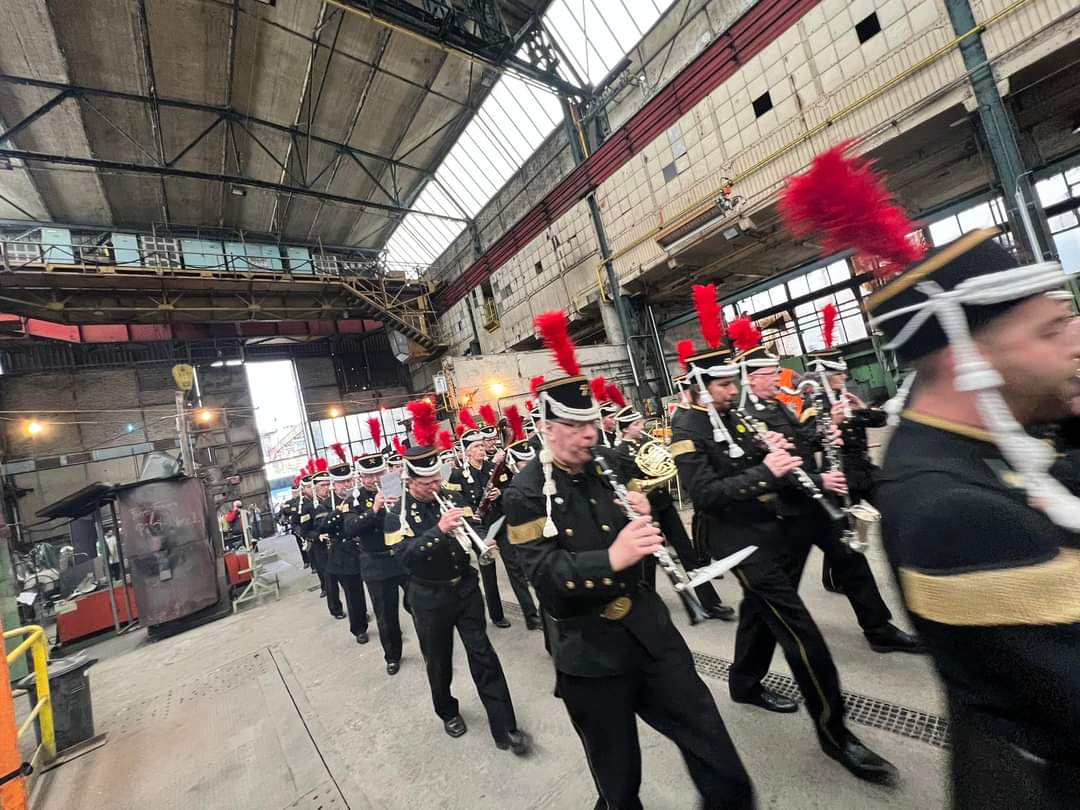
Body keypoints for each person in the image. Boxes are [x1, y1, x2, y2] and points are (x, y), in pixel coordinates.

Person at [505, 309, 754, 809]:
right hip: (589, 654)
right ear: (547, 428)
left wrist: (642, 509)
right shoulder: (526, 493)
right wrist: (613, 556)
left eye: (591, 423)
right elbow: (544, 576)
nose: (588, 434)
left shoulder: (610, 462)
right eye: (575, 426)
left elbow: (650, 508)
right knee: (619, 784)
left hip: (651, 634)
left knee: (717, 755)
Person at [868, 228, 1080, 806]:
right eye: (1050, 330)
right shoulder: (951, 510)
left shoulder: (990, 443)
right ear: (966, 356)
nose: (1075, 340)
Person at [672, 290, 897, 784]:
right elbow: (705, 495)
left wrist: (801, 467)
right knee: (801, 633)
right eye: (724, 384)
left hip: (768, 528)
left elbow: (776, 462)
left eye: (734, 382)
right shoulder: (686, 428)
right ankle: (835, 733)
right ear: (699, 386)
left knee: (759, 613)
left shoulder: (730, 416)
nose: (733, 389)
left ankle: (743, 682)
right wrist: (766, 469)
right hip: (734, 542)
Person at [733, 337, 921, 655]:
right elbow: (778, 472)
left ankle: (879, 629)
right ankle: (751, 659)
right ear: (752, 379)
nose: (780, 378)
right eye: (772, 373)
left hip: (817, 506)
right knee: (780, 588)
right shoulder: (747, 417)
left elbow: (803, 442)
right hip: (789, 513)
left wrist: (825, 432)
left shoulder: (777, 405)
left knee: (852, 561)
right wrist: (822, 479)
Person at [386, 401, 529, 754]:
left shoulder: (450, 495)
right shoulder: (396, 514)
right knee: (439, 661)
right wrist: (438, 530)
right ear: (410, 481)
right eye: (427, 482)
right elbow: (404, 558)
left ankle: (505, 727)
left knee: (483, 654)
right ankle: (447, 710)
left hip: (465, 589)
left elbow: (473, 523)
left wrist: (483, 537)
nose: (436, 485)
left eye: (438, 478)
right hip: (428, 598)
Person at [614, 403, 734, 621]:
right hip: (646, 507)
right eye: (637, 424)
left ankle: (710, 603)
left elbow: (666, 463)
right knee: (649, 559)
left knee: (687, 552)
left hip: (664, 502)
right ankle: (647, 606)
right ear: (625, 429)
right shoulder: (620, 452)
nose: (642, 427)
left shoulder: (648, 443)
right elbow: (632, 480)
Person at [802, 345, 888, 593]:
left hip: (864, 467)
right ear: (826, 376)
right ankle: (832, 578)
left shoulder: (846, 397)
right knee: (843, 530)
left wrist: (862, 409)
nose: (845, 376)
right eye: (839, 373)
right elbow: (807, 441)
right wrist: (831, 422)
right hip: (840, 472)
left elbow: (879, 420)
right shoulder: (815, 404)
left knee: (891, 503)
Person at [344, 452, 408, 671]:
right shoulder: (354, 499)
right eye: (368, 475)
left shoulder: (398, 489)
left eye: (378, 473)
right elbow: (350, 528)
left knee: (418, 602)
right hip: (376, 563)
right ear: (361, 477)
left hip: (402, 556)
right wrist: (374, 509)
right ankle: (392, 656)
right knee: (386, 615)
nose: (374, 479)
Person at [447, 426, 514, 629]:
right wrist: (472, 514)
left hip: (498, 521)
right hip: (477, 526)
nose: (481, 449)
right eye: (476, 446)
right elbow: (455, 502)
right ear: (467, 452)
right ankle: (497, 614)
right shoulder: (457, 475)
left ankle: (530, 612)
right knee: (488, 571)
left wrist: (500, 494)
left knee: (514, 566)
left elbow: (510, 486)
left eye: (481, 445)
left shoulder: (493, 468)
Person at [326, 453, 370, 640]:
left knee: (377, 590)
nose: (346, 485)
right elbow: (323, 526)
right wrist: (339, 510)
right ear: (334, 484)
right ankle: (359, 628)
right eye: (342, 482)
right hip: (344, 553)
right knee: (353, 593)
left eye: (349, 480)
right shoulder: (325, 504)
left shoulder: (359, 497)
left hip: (365, 549)